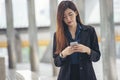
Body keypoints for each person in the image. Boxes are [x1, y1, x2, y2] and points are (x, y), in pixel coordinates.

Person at [53, 1, 101, 80]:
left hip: (86, 75)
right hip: (66, 76)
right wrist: (63, 54)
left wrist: (87, 50)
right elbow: (56, 62)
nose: (68, 19)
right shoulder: (57, 35)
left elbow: (97, 57)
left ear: (76, 13)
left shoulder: (89, 31)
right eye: (64, 17)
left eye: (70, 14)